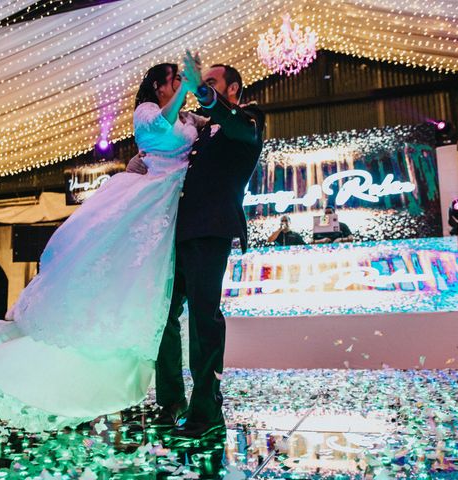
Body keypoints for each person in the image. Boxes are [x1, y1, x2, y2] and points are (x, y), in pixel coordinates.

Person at [0, 62, 207, 432]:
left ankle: (163, 394)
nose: (182, 84)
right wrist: (187, 91)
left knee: (149, 307)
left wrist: (208, 99)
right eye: (176, 80)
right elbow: (158, 128)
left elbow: (205, 125)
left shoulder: (184, 116)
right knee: (123, 296)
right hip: (148, 208)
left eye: (182, 80)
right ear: (159, 86)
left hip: (168, 210)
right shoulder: (147, 112)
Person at [129, 53, 266, 438]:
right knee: (165, 318)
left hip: (210, 230)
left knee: (204, 319)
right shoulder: (201, 130)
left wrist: (202, 93)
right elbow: (168, 155)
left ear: (232, 89)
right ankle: (171, 401)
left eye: (212, 83)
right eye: (199, 84)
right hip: (176, 231)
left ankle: (207, 410)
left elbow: (239, 128)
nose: (202, 90)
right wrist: (139, 162)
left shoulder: (249, 119)